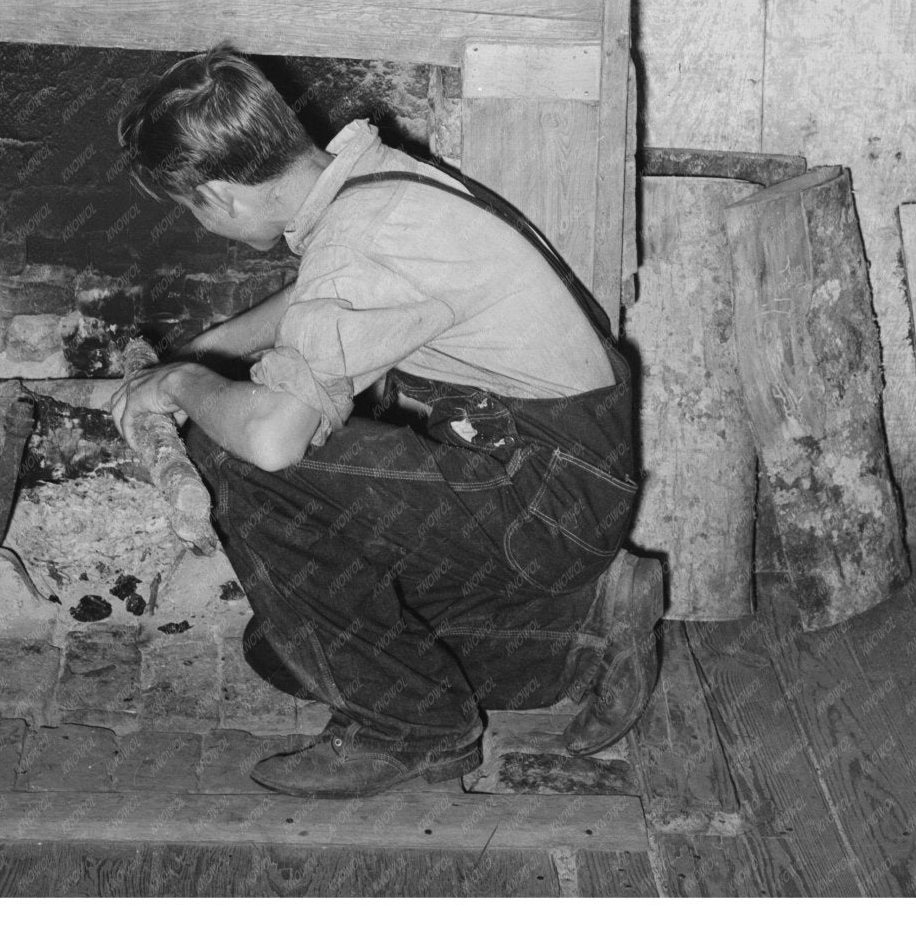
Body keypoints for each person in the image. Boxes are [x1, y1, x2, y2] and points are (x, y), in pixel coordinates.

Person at [112, 46, 662, 798]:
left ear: (220, 196)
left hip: (548, 497)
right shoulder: (365, 184)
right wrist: (204, 353)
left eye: (190, 208)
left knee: (240, 457)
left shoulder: (366, 234)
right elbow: (318, 303)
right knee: (281, 649)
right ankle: (582, 632)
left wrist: (182, 381)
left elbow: (272, 442)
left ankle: (414, 733)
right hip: (544, 470)